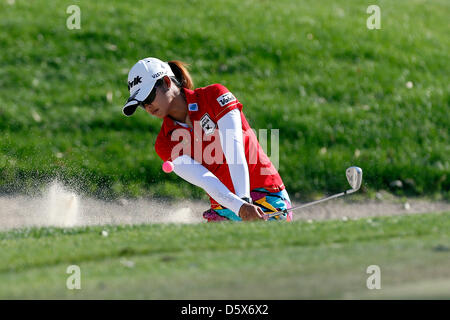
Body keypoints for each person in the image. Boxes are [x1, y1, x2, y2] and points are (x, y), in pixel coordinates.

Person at [122, 57, 292, 222]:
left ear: (167, 81)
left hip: (267, 193)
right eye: (141, 104)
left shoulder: (215, 96)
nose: (147, 106)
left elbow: (234, 150)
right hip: (227, 206)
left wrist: (244, 201)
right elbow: (206, 180)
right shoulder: (164, 143)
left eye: (148, 97)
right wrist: (240, 207)